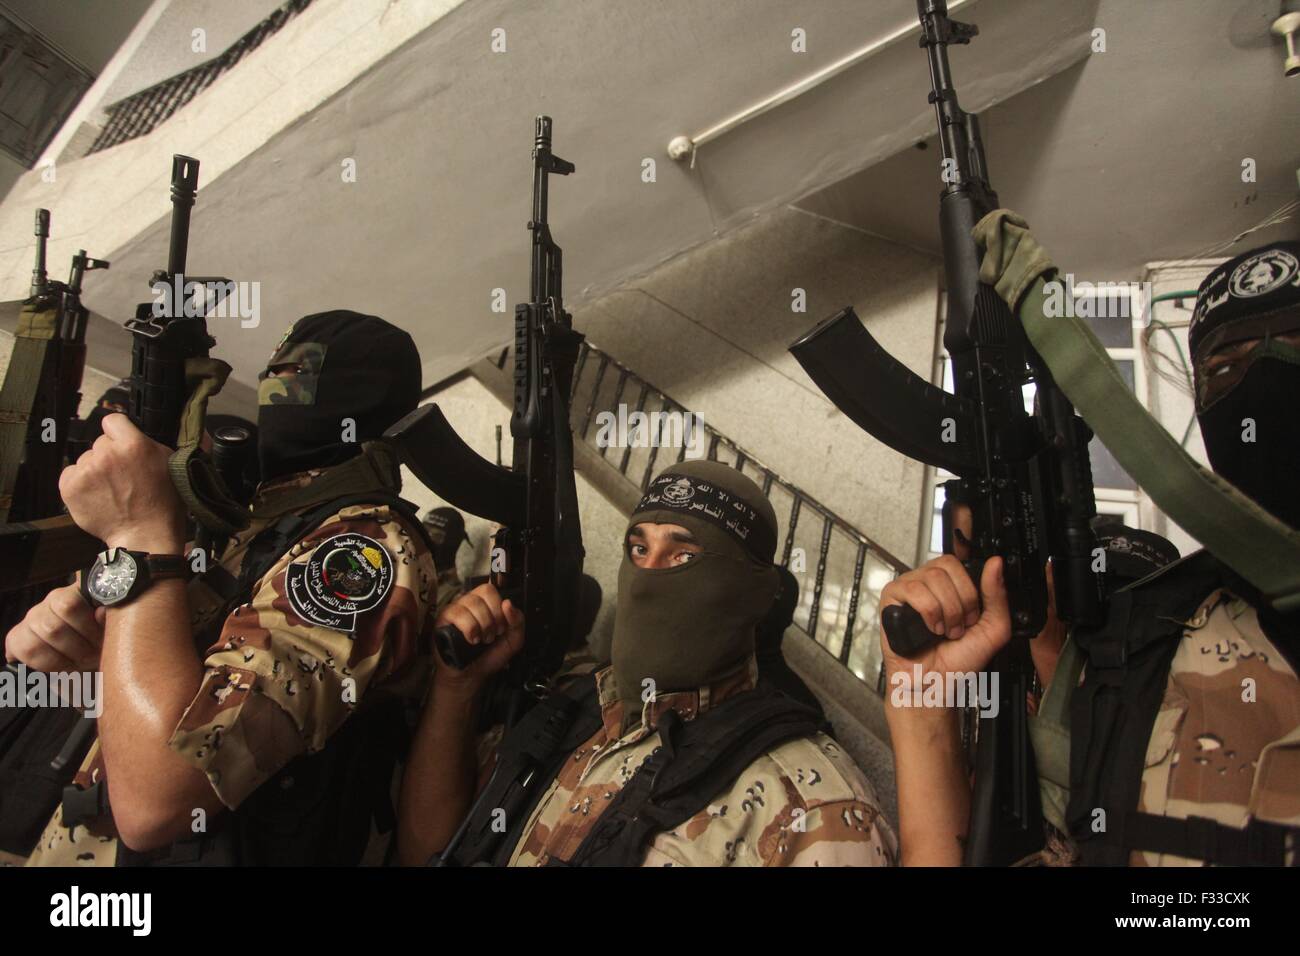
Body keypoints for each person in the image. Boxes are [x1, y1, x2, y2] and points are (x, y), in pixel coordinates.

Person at [882, 229, 1300, 866]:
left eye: (1294, 342)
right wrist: (922, 716)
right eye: (1224, 366)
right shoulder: (1156, 659)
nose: (1264, 377)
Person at [4, 310, 437, 867]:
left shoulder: (361, 550)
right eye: (272, 371)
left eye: (296, 375)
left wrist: (138, 534)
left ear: (364, 395)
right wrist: (93, 662)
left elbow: (161, 800)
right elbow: (167, 708)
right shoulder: (265, 525)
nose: (273, 390)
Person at [397, 458, 897, 867]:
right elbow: (430, 850)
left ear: (754, 592)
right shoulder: (577, 708)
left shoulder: (808, 807)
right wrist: (455, 689)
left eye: (682, 556)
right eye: (639, 548)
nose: (648, 576)